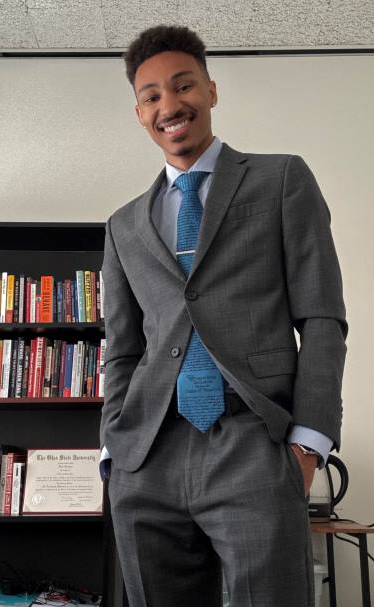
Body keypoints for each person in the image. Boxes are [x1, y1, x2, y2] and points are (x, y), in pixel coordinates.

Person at [100, 24, 347, 607]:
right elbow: (123, 348)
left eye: (183, 85)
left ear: (210, 90)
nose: (169, 104)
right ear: (139, 114)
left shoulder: (281, 178)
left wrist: (309, 444)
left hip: (254, 442)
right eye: (151, 96)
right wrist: (114, 449)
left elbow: (321, 317)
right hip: (148, 454)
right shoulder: (123, 224)